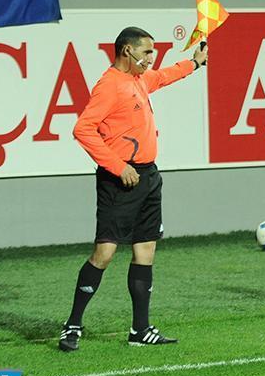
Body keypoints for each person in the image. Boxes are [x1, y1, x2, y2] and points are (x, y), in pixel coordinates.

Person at [58, 27, 208, 351]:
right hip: (120, 180)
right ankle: (72, 325)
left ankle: (140, 329)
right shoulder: (110, 85)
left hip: (148, 178)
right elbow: (83, 129)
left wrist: (194, 63)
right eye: (147, 51)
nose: (152, 57)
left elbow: (164, 77)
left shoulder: (138, 79)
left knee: (145, 251)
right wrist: (118, 166)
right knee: (104, 253)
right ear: (127, 50)